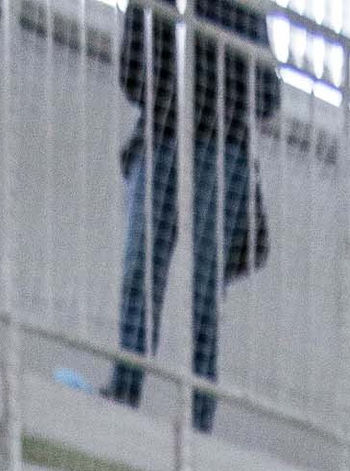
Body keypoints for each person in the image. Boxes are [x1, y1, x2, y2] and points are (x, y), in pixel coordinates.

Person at [105, 0, 278, 437]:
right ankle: (126, 388)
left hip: (218, 148)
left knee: (200, 292)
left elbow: (267, 93)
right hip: (164, 136)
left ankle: (198, 416)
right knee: (141, 271)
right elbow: (130, 73)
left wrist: (208, 89)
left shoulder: (240, 6)